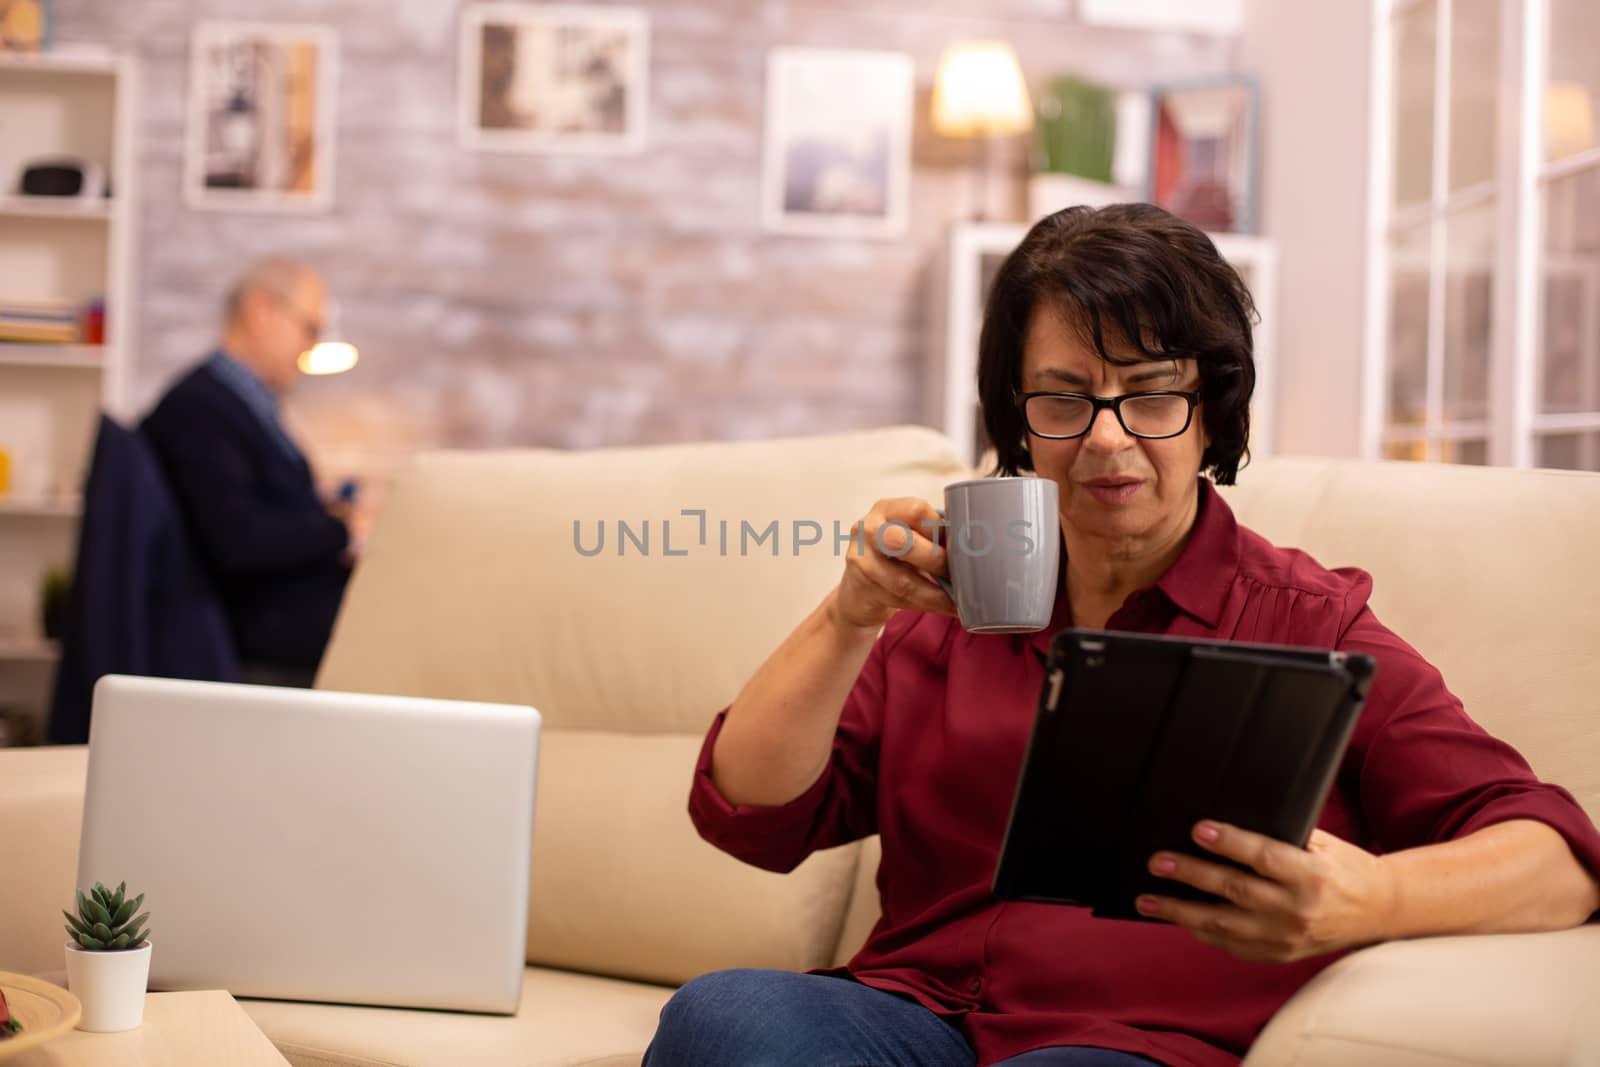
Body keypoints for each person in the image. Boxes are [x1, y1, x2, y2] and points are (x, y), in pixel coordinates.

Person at [644, 204, 1600, 1067]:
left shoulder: (1306, 621)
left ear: (1209, 411)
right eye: (1063, 399)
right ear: (1018, 420)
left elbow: (1558, 857)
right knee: (724, 1016)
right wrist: (848, 611)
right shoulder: (946, 608)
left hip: (1135, 1045)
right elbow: (749, 810)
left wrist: (1367, 900)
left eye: (1150, 393)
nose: (1106, 440)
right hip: (909, 1017)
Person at [142, 259, 358, 685]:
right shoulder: (200, 408)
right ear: (261, 312)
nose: (310, 347)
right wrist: (343, 530)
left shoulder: (238, 401)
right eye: (309, 329)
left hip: (285, 617)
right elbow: (240, 540)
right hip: (265, 632)